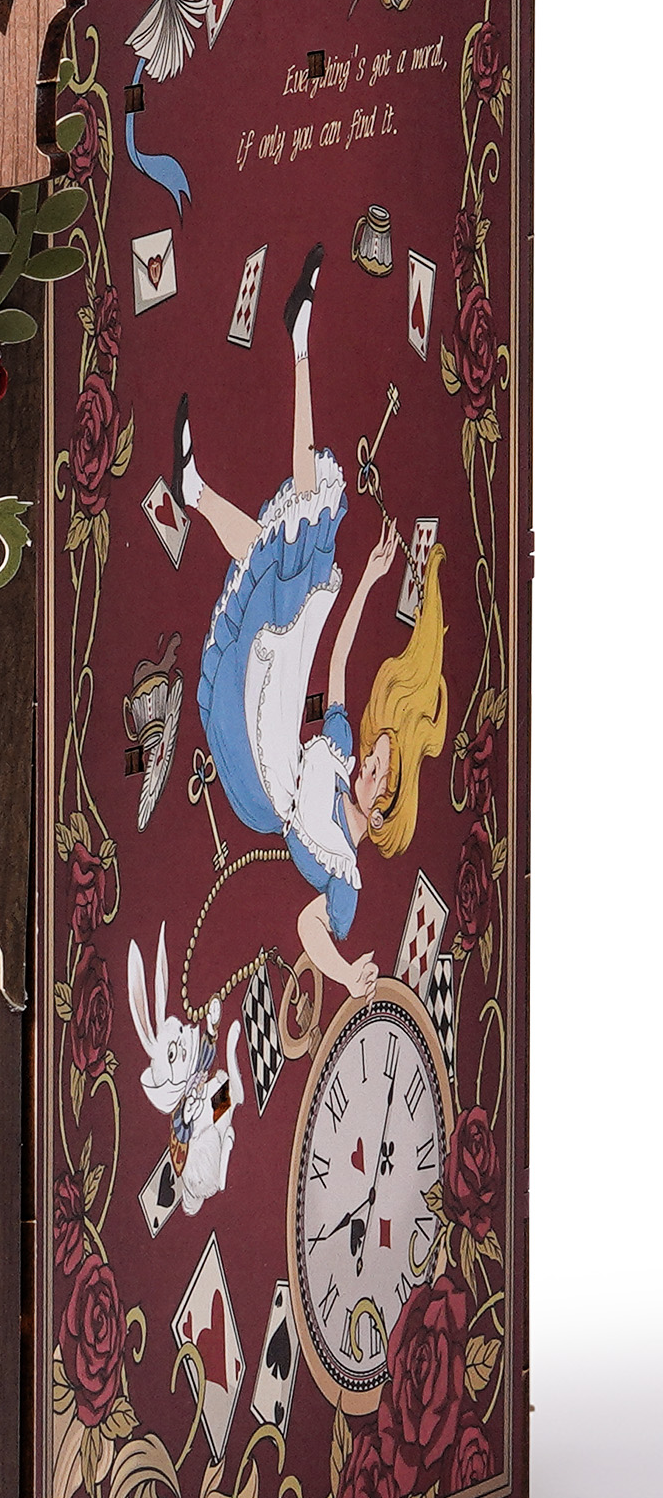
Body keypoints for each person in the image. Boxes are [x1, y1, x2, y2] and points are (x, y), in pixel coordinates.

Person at [171, 243, 447, 1001]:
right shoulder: (342, 745)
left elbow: (307, 928)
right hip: (284, 704)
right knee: (297, 552)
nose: (369, 768)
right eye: (377, 759)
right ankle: (204, 476)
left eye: (378, 774)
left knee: (290, 560)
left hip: (261, 776)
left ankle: (290, 355)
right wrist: (369, 581)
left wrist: (350, 976)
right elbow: (340, 664)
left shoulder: (346, 876)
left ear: (383, 809)